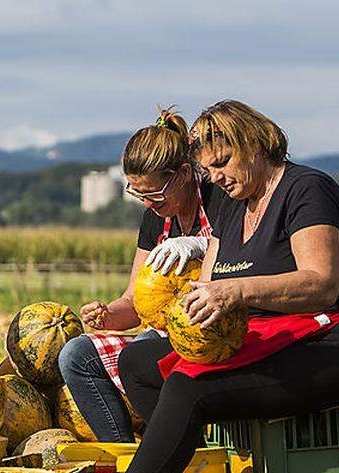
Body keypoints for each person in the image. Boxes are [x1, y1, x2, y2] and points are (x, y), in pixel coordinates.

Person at [46, 100, 339, 473]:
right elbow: (209, 284)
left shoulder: (307, 190)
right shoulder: (229, 205)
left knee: (189, 388)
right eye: (209, 169)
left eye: (222, 163)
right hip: (260, 336)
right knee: (139, 364)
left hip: (329, 347)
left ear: (255, 143)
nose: (217, 177)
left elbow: (321, 284)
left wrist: (236, 291)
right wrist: (173, 316)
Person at [58, 108, 225, 442]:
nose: (148, 203)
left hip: (213, 333)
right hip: (164, 332)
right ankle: (124, 452)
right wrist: (106, 315)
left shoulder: (220, 199)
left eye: (154, 193)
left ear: (182, 174)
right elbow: (135, 303)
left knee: (142, 354)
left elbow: (243, 256)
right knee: (76, 356)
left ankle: (180, 450)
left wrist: (200, 245)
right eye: (139, 194)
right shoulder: (156, 218)